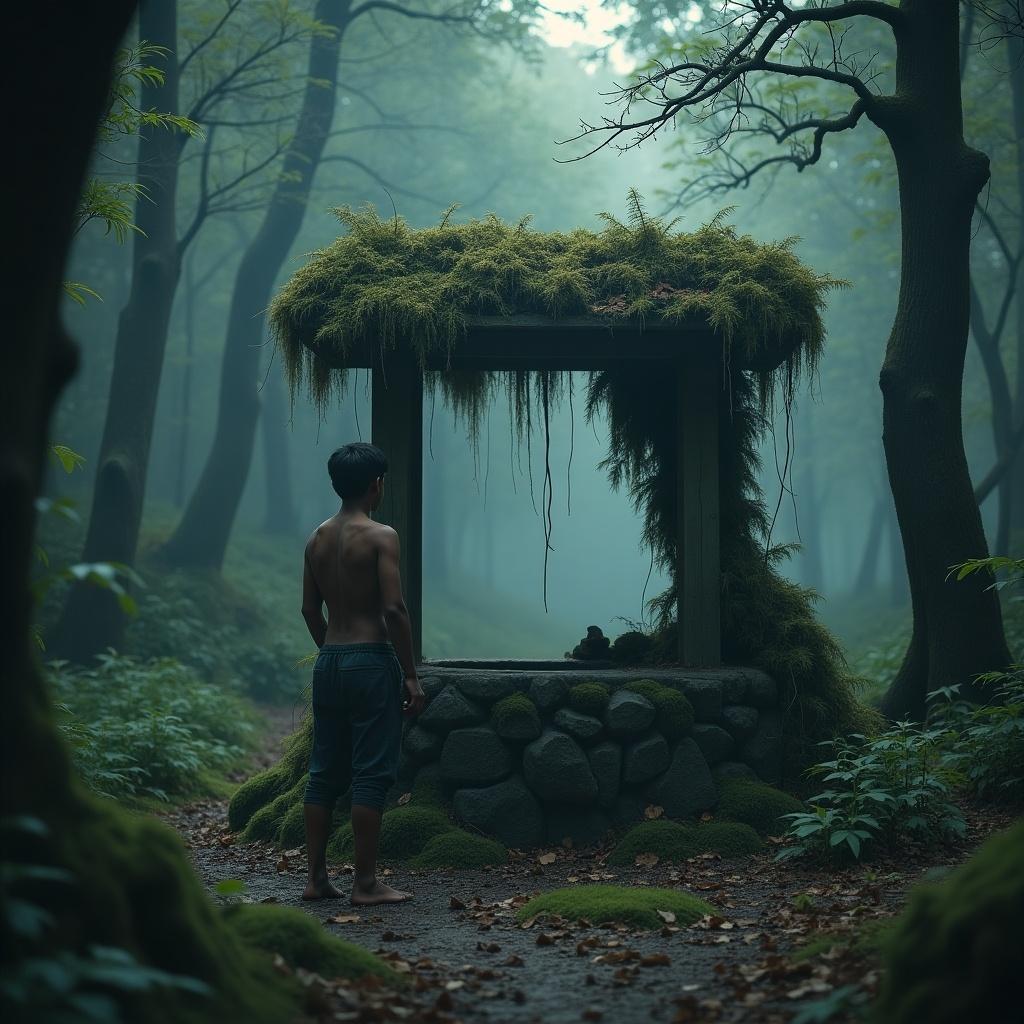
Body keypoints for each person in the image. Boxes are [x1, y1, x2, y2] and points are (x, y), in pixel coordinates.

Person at [299, 442, 425, 904]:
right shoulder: (380, 536)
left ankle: (315, 880)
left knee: (322, 772)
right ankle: (366, 884)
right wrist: (410, 674)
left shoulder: (316, 538)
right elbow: (393, 608)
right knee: (370, 773)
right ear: (376, 485)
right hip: (371, 660)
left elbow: (310, 610)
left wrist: (331, 651)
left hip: (329, 661)